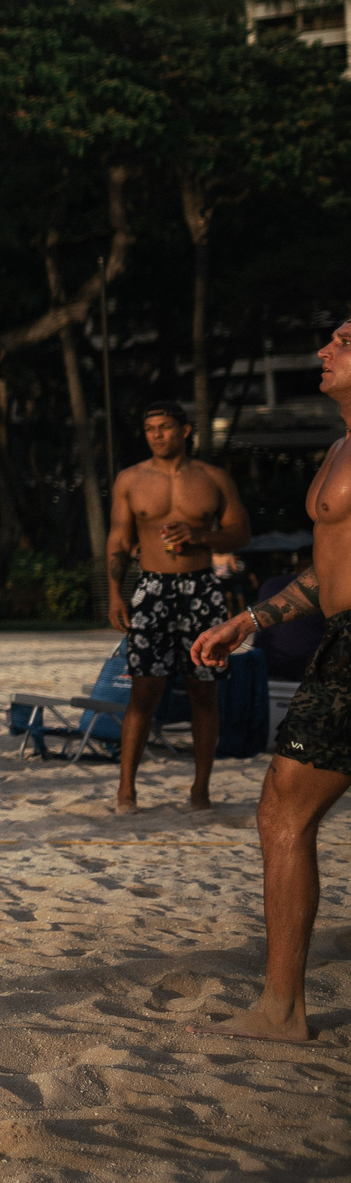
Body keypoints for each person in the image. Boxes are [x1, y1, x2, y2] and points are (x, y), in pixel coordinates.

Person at [187, 316, 351, 1043]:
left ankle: (282, 1010)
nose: (324, 351)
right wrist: (248, 621)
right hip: (339, 642)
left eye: (344, 341)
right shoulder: (341, 446)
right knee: (284, 810)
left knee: (284, 811)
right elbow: (329, 572)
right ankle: (280, 1006)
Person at [105, 400, 251, 812]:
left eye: (165, 427)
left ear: (184, 431)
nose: (156, 435)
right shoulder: (130, 480)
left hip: (201, 588)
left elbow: (240, 533)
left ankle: (200, 789)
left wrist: (202, 536)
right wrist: (116, 593)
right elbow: (118, 539)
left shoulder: (213, 478)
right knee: (143, 691)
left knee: (203, 691)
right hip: (151, 587)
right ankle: (126, 791)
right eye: (150, 428)